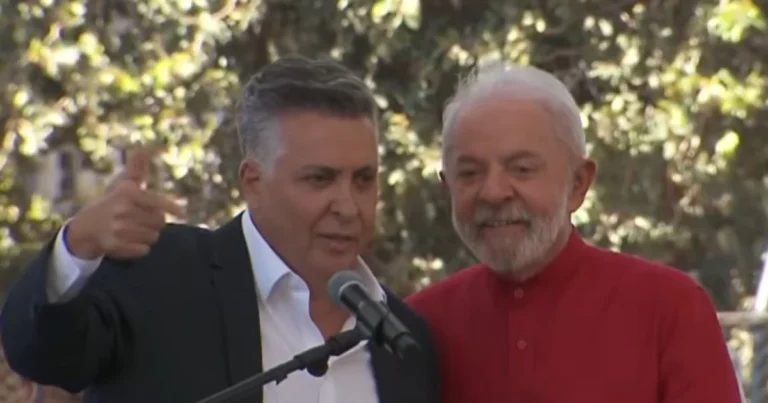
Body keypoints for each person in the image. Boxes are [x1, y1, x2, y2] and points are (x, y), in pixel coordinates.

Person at [0, 56, 441, 403]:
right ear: (253, 182)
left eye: (364, 180)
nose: (347, 207)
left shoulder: (404, 339)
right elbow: (39, 354)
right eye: (319, 179)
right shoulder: (157, 274)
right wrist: (78, 245)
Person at [405, 61, 743, 402]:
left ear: (578, 184)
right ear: (447, 188)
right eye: (469, 173)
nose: (493, 192)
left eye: (522, 169)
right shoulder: (415, 330)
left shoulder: (668, 309)